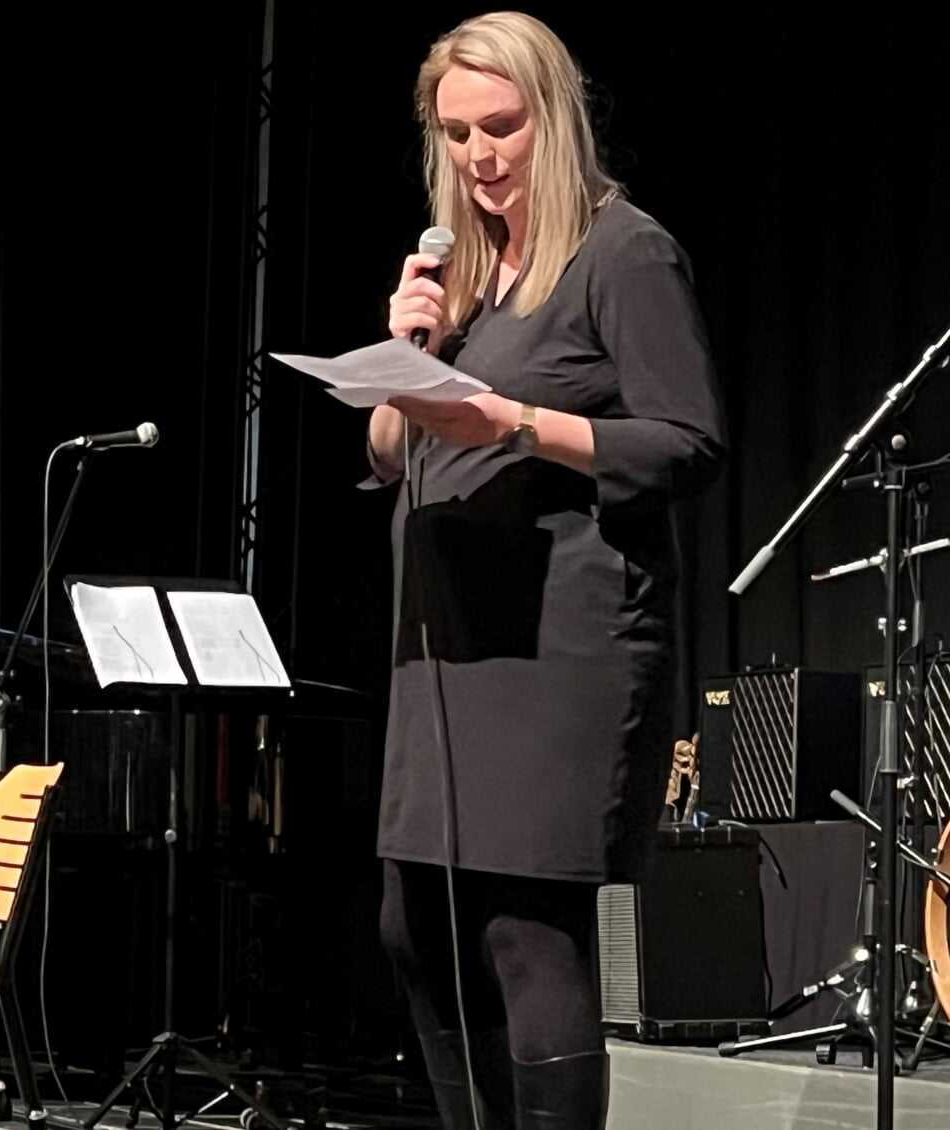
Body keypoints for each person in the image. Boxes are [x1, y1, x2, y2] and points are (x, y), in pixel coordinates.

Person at [367, 12, 725, 1129]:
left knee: (526, 932)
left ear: (553, 117)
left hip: (561, 648)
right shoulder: (460, 277)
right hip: (448, 647)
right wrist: (402, 359)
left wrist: (519, 424)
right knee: (413, 922)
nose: (479, 156)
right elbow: (389, 453)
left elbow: (687, 440)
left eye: (502, 128)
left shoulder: (624, 251)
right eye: (457, 133)